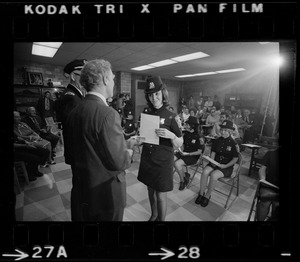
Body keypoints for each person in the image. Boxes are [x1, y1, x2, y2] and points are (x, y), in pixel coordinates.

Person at [65, 59, 133, 221]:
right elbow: (120, 162)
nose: (114, 83)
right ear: (104, 79)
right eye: (113, 78)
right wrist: (129, 149)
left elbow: (70, 157)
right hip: (105, 196)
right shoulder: (108, 114)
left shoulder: (73, 113)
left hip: (82, 191)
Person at [136, 76, 183, 221]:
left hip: (163, 160)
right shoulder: (146, 113)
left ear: (163, 93)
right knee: (150, 190)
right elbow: (144, 137)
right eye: (150, 94)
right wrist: (139, 138)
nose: (154, 97)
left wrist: (171, 136)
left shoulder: (171, 115)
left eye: (157, 93)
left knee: (161, 194)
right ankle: (154, 215)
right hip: (148, 158)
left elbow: (180, 142)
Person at [195, 120, 239, 207]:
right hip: (215, 162)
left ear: (230, 131)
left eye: (226, 130)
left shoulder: (234, 143)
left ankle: (207, 196)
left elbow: (235, 159)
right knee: (205, 172)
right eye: (222, 129)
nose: (223, 132)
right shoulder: (217, 140)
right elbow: (213, 152)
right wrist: (212, 161)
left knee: (214, 175)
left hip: (226, 166)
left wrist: (225, 165)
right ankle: (201, 193)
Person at [56, 59, 87, 164]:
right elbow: (74, 126)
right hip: (77, 148)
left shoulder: (77, 94)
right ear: (73, 76)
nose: (86, 81)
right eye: (83, 77)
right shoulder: (71, 96)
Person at [174, 116, 205, 190]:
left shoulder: (199, 137)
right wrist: (179, 149)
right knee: (171, 159)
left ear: (193, 125)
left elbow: (199, 152)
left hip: (193, 156)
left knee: (177, 163)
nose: (186, 126)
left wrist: (187, 154)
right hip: (185, 153)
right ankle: (185, 174)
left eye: (188, 124)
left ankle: (182, 180)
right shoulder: (186, 134)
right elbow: (183, 145)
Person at [256, 149, 279, 221]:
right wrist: (263, 180)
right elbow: (262, 169)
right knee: (265, 201)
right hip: (269, 184)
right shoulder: (271, 153)